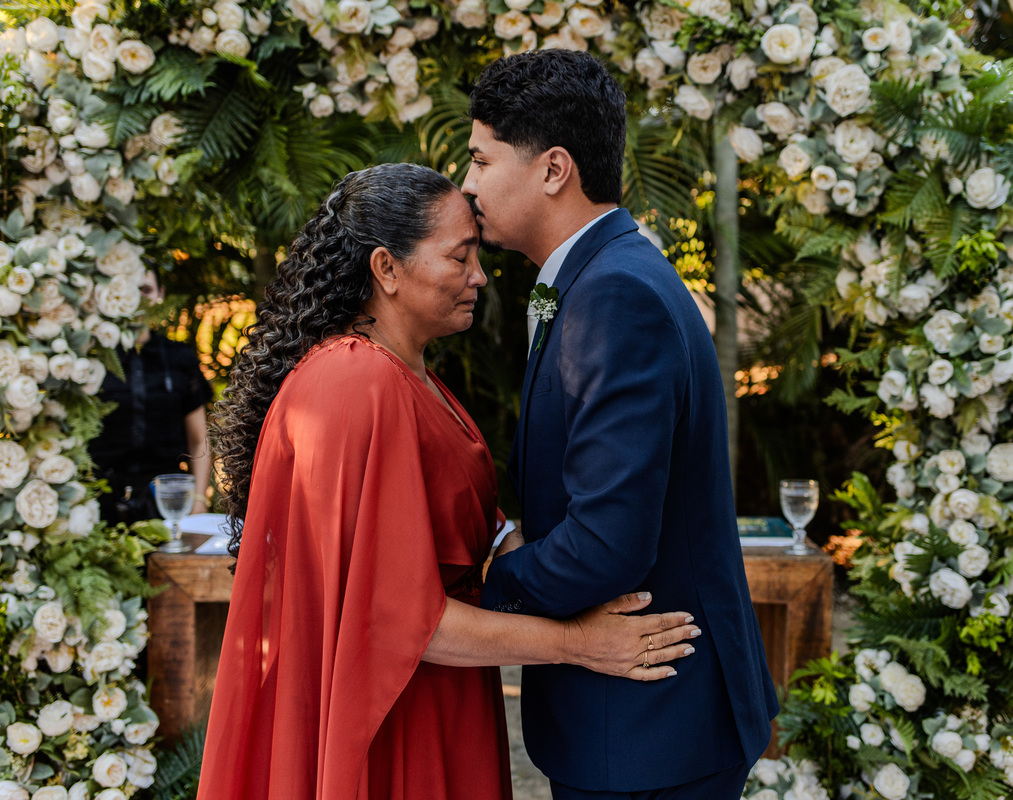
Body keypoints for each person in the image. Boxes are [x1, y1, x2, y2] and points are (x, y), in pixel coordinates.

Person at [195, 163, 701, 800]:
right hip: (391, 706)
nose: (480, 276)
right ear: (387, 268)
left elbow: (471, 543)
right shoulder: (357, 383)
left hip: (439, 689)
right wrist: (581, 645)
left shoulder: (411, 376)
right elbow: (405, 624)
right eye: (459, 257)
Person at [463, 51, 780, 800]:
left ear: (554, 169)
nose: (468, 182)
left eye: (481, 158)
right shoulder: (601, 276)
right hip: (642, 718)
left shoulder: (613, 297)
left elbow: (608, 542)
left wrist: (487, 586)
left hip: (648, 723)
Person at [89, 268, 212, 524]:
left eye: (145, 290)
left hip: (167, 501)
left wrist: (199, 500)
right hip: (98, 502)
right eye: (129, 290)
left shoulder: (179, 357)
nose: (138, 300)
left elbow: (199, 440)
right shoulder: (90, 359)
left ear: (160, 294)